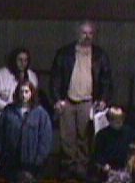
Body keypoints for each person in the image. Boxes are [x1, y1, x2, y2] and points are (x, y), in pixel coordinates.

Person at [50, 20, 113, 180]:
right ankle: (68, 168)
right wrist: (57, 99)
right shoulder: (64, 53)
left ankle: (82, 169)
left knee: (85, 138)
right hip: (68, 100)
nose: (87, 36)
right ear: (77, 33)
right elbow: (55, 78)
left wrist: (103, 99)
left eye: (90, 33)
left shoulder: (99, 55)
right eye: (84, 33)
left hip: (88, 101)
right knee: (67, 138)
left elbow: (106, 79)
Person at [0, 81, 53, 183]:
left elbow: (45, 140)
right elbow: (0, 135)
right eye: (21, 91)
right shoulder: (8, 111)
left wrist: (38, 160)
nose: (23, 95)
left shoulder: (41, 114)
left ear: (31, 93)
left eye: (26, 92)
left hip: (32, 165)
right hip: (11, 164)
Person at [93, 106, 135, 180]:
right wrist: (103, 164)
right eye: (115, 119)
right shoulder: (102, 135)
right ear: (109, 120)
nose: (119, 121)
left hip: (123, 168)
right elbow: (97, 154)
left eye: (120, 118)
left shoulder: (126, 131)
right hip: (108, 169)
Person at [0, 47, 39, 122]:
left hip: (24, 117)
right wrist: (6, 106)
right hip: (0, 115)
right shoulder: (1, 74)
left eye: (25, 60)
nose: (23, 63)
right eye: (20, 60)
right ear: (14, 60)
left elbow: (33, 98)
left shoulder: (32, 76)